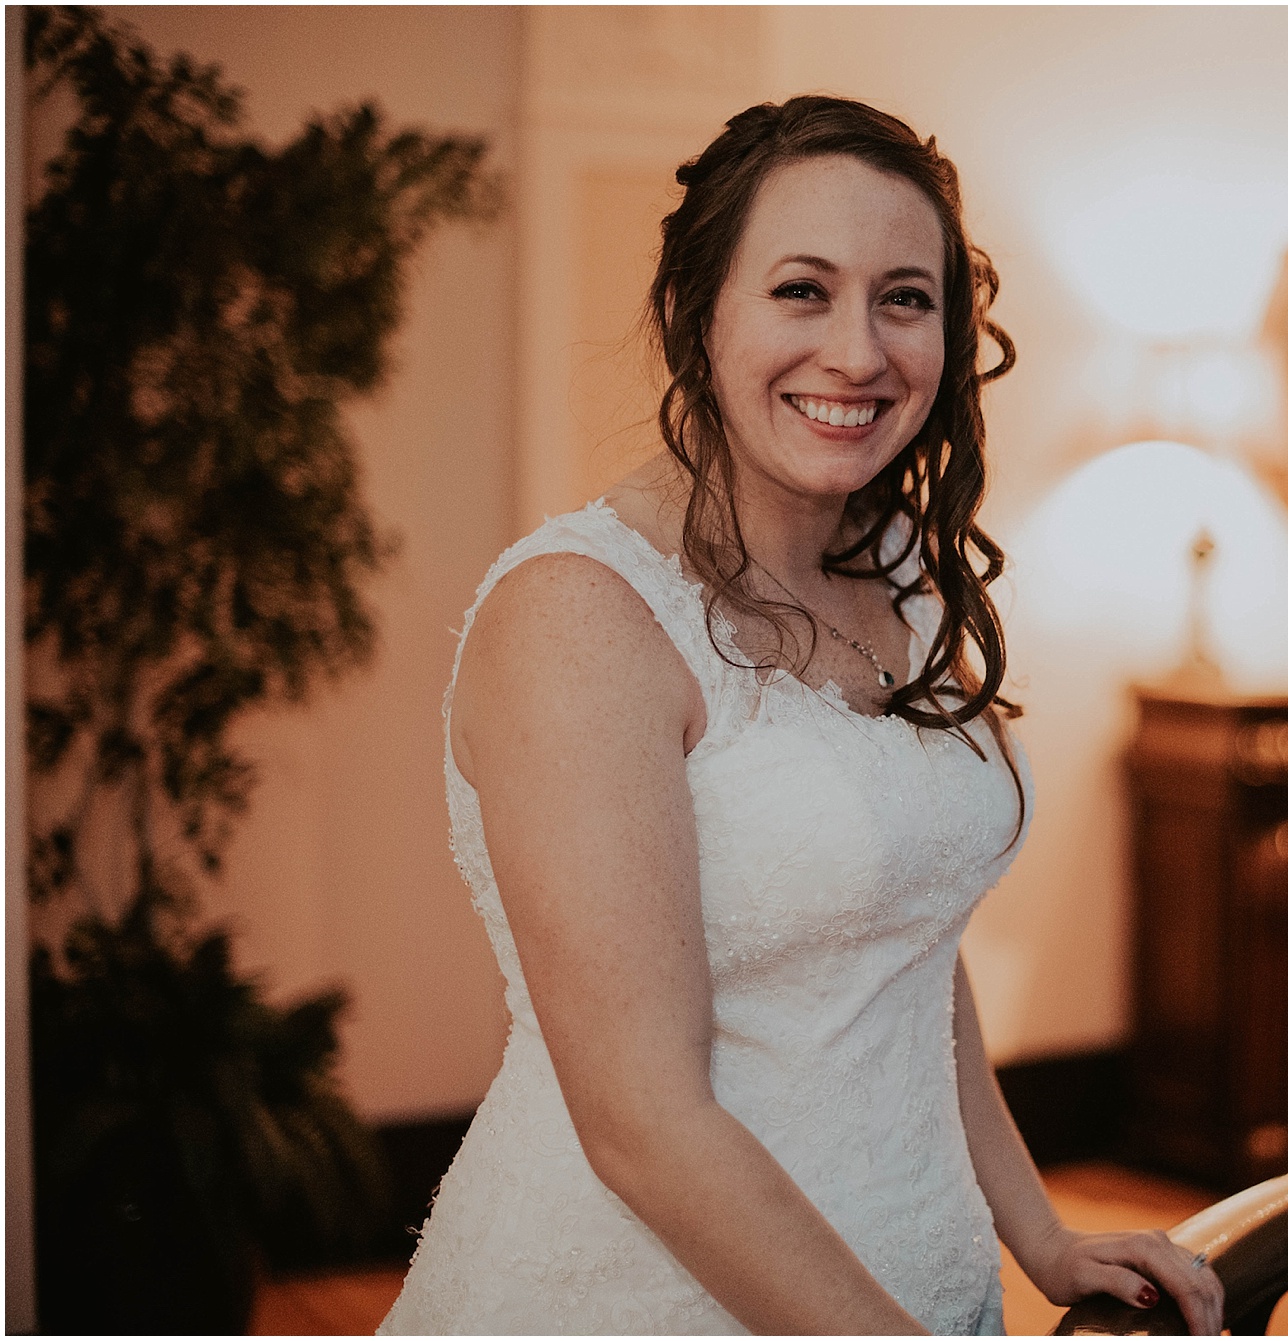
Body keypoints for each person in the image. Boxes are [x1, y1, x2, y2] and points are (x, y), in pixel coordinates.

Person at [379, 96, 1226, 1335]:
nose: (857, 353)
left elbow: (907, 943)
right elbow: (643, 1124)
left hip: (917, 1277)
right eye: (800, 291)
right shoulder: (580, 616)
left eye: (903, 298)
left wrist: (1039, 1235)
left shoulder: (900, 568)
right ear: (696, 312)